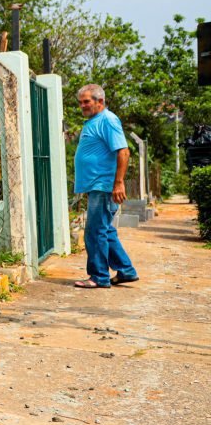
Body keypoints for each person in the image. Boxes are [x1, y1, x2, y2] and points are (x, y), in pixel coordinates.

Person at [73, 84, 139, 288]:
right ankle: (126, 271)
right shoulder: (93, 121)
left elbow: (123, 151)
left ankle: (99, 276)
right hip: (97, 185)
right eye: (81, 102)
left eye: (87, 101)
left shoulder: (108, 120)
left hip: (104, 185)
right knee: (105, 230)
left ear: (100, 101)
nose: (83, 106)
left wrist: (118, 183)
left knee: (94, 232)